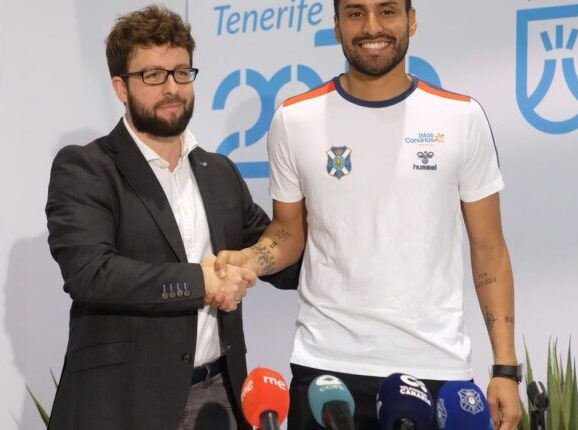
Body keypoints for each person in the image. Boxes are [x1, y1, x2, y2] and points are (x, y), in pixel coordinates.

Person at [215, 0, 522, 428]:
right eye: (356, 13)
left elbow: (489, 248)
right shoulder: (294, 120)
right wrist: (250, 259)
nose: (371, 26)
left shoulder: (461, 118)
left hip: (434, 367)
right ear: (337, 26)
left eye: (388, 11)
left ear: (411, 20)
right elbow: (288, 231)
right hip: (326, 367)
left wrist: (505, 369)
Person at [45, 6, 296, 430]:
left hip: (221, 396)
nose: (171, 88)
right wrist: (203, 282)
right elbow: (91, 273)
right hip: (124, 402)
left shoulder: (219, 172)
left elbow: (279, 261)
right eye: (153, 75)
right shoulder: (86, 167)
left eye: (181, 72)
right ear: (121, 88)